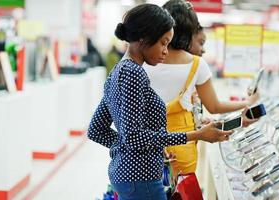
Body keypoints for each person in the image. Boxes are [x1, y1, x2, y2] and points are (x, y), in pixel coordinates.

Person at [87, 3, 233, 200]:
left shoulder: (119, 71)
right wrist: (197, 134)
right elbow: (133, 137)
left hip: (128, 176)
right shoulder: (133, 73)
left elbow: (97, 129)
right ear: (144, 38)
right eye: (163, 43)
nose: (166, 50)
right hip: (141, 179)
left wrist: (130, 148)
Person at [143, 0, 259, 179]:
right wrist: (247, 103)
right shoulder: (196, 64)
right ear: (190, 29)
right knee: (182, 192)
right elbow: (214, 106)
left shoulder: (145, 61)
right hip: (183, 146)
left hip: (146, 145)